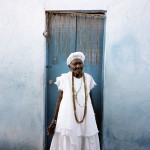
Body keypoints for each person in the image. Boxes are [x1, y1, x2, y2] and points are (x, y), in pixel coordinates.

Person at [48, 52, 100, 150]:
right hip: (68, 117)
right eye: (74, 64)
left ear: (83, 64)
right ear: (69, 66)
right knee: (68, 137)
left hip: (86, 116)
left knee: (86, 135)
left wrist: (94, 116)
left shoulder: (88, 78)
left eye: (80, 63)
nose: (77, 66)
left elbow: (90, 98)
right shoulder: (64, 79)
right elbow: (59, 100)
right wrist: (54, 120)